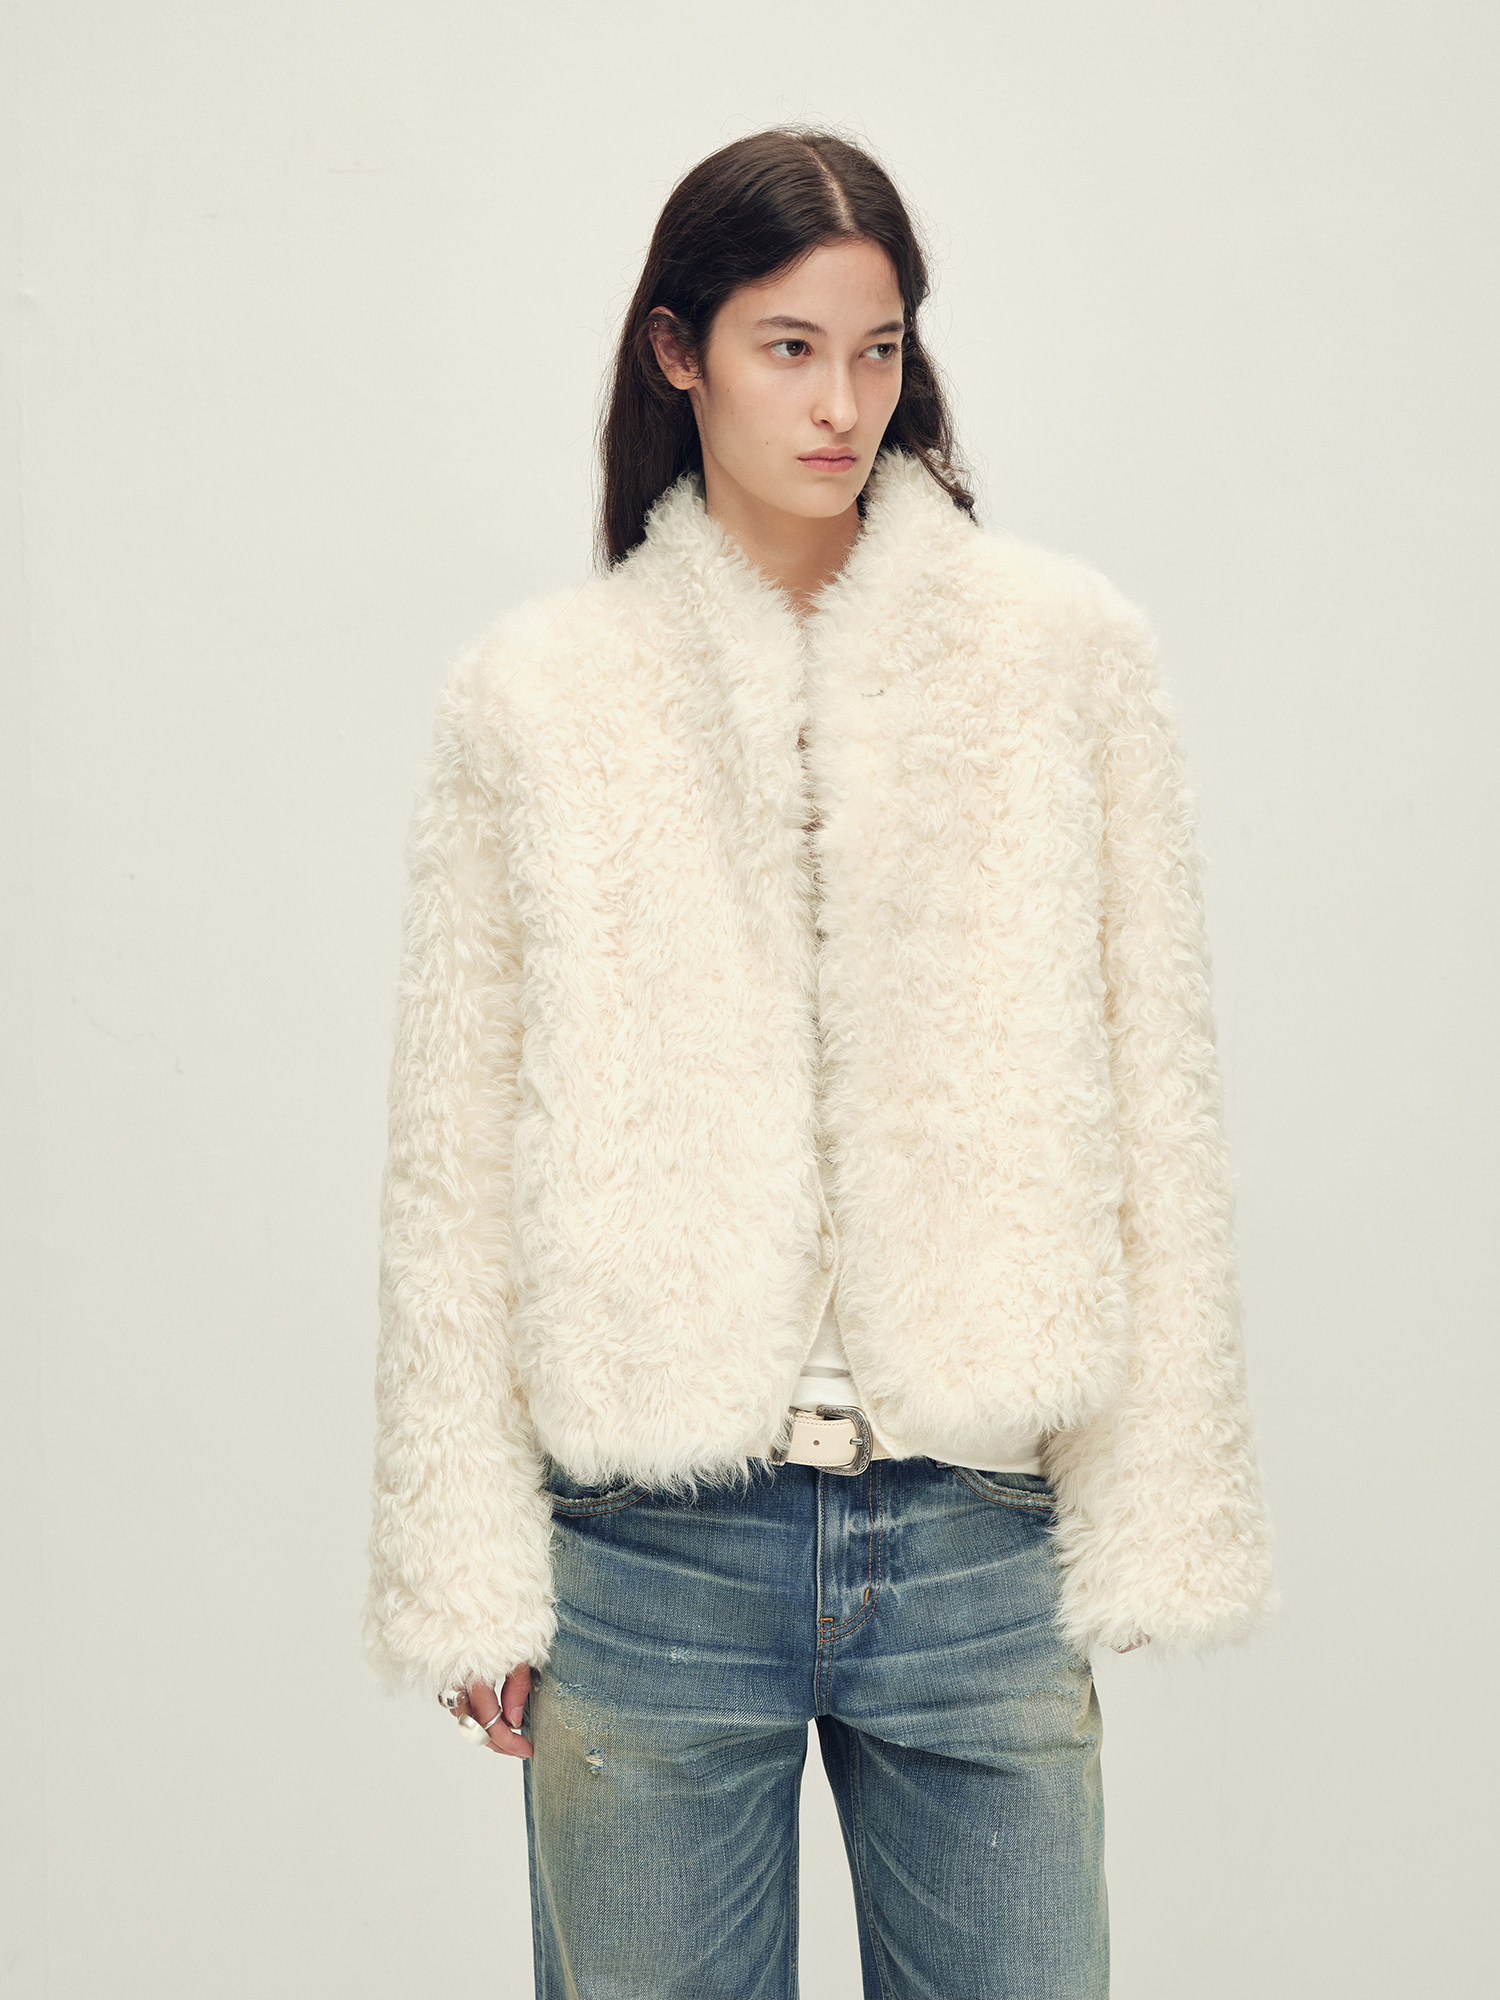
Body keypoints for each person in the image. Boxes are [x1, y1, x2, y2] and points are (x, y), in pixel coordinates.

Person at [363, 127, 1279, 2001]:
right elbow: (453, 1157)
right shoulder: (537, 699)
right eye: (789, 348)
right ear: (677, 349)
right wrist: (465, 1561)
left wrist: (1158, 1496)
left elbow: (1158, 1099)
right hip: (650, 1551)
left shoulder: (1064, 663)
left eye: (878, 350)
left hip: (976, 1537)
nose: (842, 404)